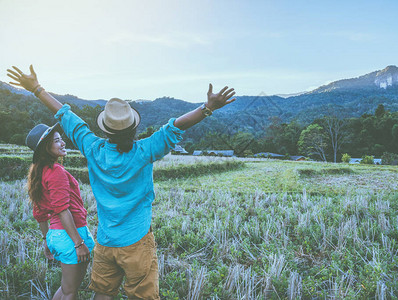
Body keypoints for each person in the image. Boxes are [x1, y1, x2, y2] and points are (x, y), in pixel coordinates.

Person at [8, 65, 236, 299]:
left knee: (104, 294)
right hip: (137, 241)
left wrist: (36, 89)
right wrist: (208, 108)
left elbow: (66, 115)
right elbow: (176, 126)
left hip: (106, 242)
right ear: (133, 127)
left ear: (105, 130)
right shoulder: (144, 150)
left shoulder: (93, 148)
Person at [25, 122, 95, 300]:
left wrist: (47, 240)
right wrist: (78, 244)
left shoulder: (39, 172)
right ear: (45, 148)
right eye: (57, 141)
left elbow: (39, 212)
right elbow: (63, 210)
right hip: (70, 235)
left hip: (58, 234)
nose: (63, 143)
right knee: (70, 291)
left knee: (66, 289)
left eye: (61, 139)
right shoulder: (55, 171)